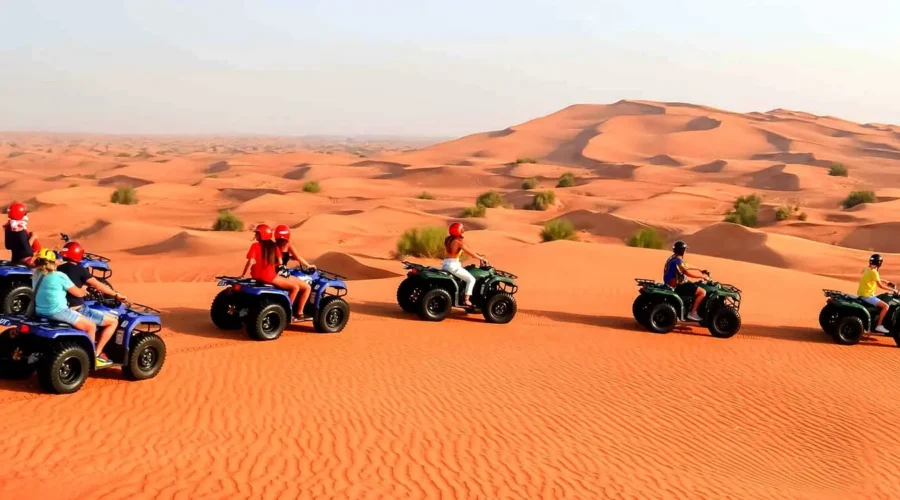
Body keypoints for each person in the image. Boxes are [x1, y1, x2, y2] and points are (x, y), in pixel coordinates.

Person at [31, 249, 112, 368]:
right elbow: (78, 293)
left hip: (41, 311)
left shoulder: (36, 275)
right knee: (91, 326)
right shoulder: (59, 276)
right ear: (52, 262)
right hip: (58, 311)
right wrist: (85, 288)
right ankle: (90, 358)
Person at [57, 241, 125, 366]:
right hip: (78, 310)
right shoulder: (80, 270)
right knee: (113, 322)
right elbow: (99, 285)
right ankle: (97, 354)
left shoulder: (59, 268)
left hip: (61, 309)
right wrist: (116, 294)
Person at [241, 225, 303, 318]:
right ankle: (285, 315)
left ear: (262, 235)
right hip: (269, 277)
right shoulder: (273, 246)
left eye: (257, 234)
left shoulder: (254, 246)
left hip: (255, 275)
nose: (256, 236)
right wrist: (271, 266)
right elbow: (281, 262)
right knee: (295, 287)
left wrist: (243, 275)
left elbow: (250, 261)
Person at [442, 222, 486, 308]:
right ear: (458, 231)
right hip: (453, 265)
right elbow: (470, 252)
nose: (463, 231)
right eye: (461, 230)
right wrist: (481, 258)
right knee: (471, 279)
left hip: (446, 264)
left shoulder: (448, 239)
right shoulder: (458, 243)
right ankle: (466, 300)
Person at [663, 241, 709, 322]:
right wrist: (702, 276)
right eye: (685, 250)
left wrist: (699, 269)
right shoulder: (678, 260)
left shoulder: (673, 258)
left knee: (693, 285)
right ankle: (692, 313)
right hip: (678, 285)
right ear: (682, 251)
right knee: (702, 292)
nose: (685, 252)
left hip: (671, 283)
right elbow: (686, 272)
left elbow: (686, 266)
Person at [274, 224, 314, 314]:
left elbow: (283, 257)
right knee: (307, 287)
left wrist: (290, 257)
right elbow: (298, 257)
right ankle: (298, 312)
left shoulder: (273, 245)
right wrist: (308, 265)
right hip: (281, 272)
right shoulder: (288, 245)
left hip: (272, 272)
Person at [857, 253, 895, 334]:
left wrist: (886, 282)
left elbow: (875, 278)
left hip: (862, 294)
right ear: (880, 263)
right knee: (886, 306)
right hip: (868, 296)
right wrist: (893, 290)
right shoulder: (874, 272)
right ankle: (879, 325)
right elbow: (880, 285)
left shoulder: (868, 269)